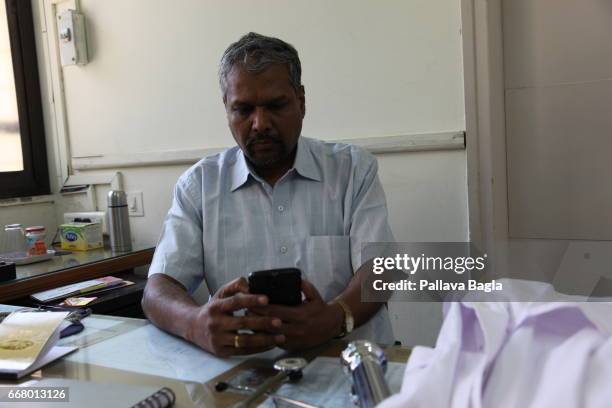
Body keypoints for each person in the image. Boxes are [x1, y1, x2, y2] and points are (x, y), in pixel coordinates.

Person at [142, 32, 395, 357]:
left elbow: (383, 269)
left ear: (301, 101)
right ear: (226, 109)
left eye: (276, 106)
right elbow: (158, 289)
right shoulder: (199, 185)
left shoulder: (352, 170)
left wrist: (334, 318)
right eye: (243, 109)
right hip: (244, 373)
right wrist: (195, 323)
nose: (260, 123)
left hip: (349, 361)